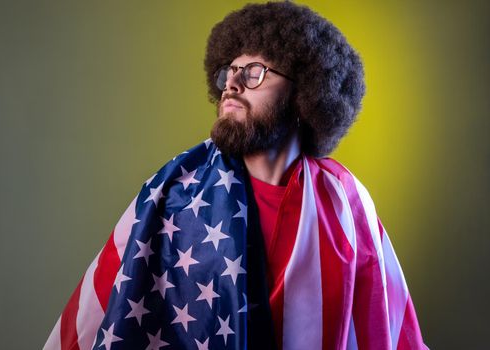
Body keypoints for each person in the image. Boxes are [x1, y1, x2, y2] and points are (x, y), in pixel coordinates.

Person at [45, 2, 427, 349]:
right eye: (230, 71)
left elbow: (392, 324)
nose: (232, 82)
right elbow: (107, 308)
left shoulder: (347, 202)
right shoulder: (174, 194)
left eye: (255, 72)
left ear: (304, 94)